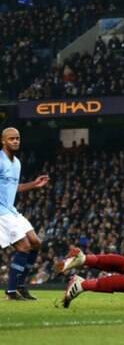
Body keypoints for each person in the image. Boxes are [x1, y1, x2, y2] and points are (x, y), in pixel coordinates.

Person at [0, 127, 50, 300]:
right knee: (24, 246)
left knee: (36, 242)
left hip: (11, 209)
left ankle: (20, 286)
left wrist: (33, 184)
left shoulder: (17, 163)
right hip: (1, 213)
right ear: (3, 141)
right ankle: (12, 291)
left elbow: (13, 188)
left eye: (17, 138)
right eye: (11, 138)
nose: (15, 141)